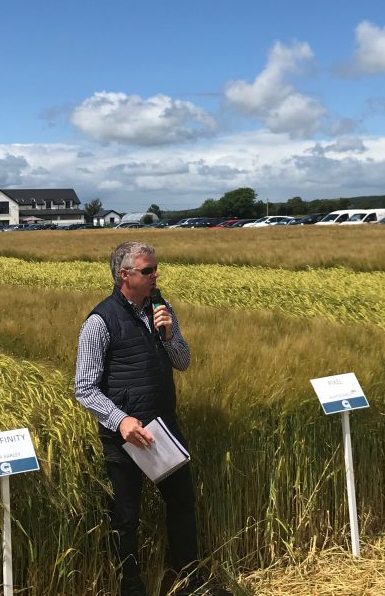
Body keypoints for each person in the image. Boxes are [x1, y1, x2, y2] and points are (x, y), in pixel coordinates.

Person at [74, 241, 230, 596]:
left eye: (156, 268)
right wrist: (121, 421)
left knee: (182, 504)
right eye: (148, 271)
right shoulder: (100, 321)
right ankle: (131, 588)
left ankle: (189, 580)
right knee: (126, 518)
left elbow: (184, 362)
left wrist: (170, 334)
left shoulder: (161, 309)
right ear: (124, 275)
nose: (155, 275)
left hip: (164, 430)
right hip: (126, 439)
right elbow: (84, 388)